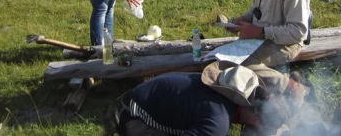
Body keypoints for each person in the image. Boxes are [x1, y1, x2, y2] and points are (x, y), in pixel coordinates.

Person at [103, 62, 293, 136]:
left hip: (135, 98)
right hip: (135, 117)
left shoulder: (223, 94)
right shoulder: (218, 121)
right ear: (256, 119)